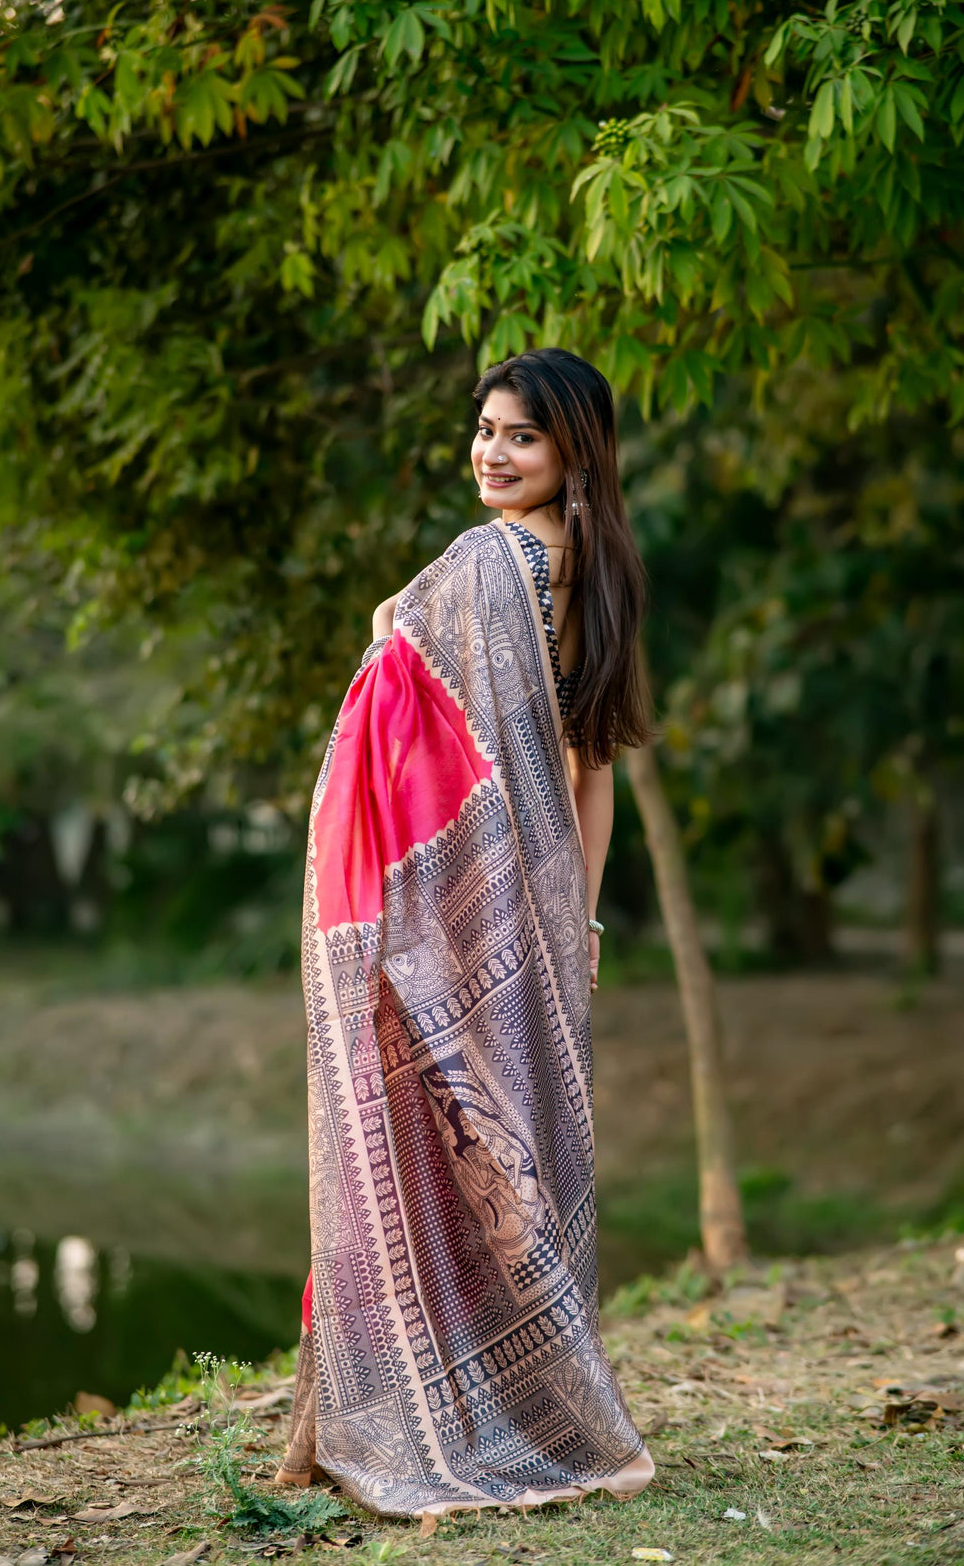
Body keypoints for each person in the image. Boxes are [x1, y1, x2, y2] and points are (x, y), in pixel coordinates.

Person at [275, 347, 654, 1520]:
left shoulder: (490, 563)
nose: (492, 453)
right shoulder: (597, 575)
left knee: (427, 1139)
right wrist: (575, 914)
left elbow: (395, 647)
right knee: (518, 1144)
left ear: (572, 452)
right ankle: (534, 1404)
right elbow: (592, 774)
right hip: (531, 911)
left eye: (520, 438)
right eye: (484, 429)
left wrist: (399, 615)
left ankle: (431, 1421)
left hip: (446, 908)